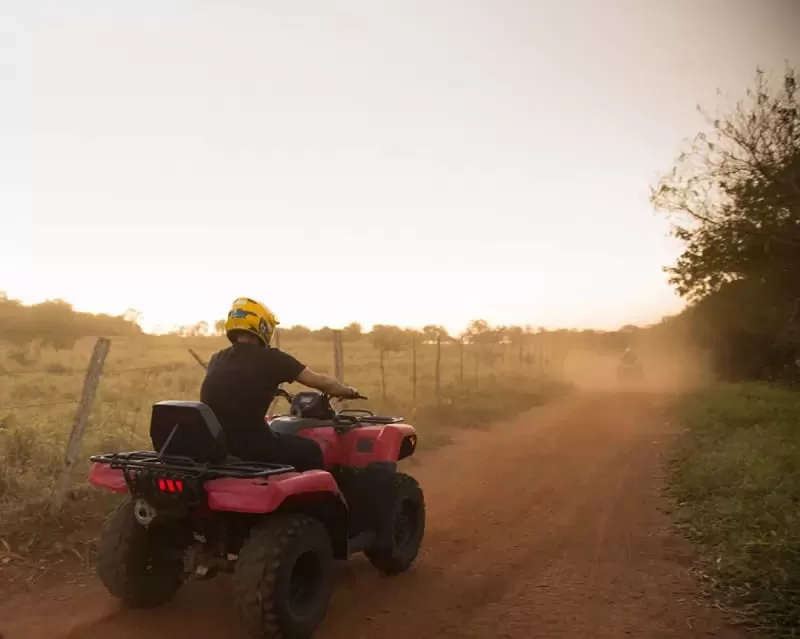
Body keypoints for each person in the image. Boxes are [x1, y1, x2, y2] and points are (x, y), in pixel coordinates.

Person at [200, 297, 362, 471]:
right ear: (262, 326)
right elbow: (319, 381)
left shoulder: (217, 358)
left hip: (216, 443)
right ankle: (321, 497)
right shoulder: (273, 359)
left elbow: (232, 388)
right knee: (311, 450)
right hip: (251, 444)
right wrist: (347, 391)